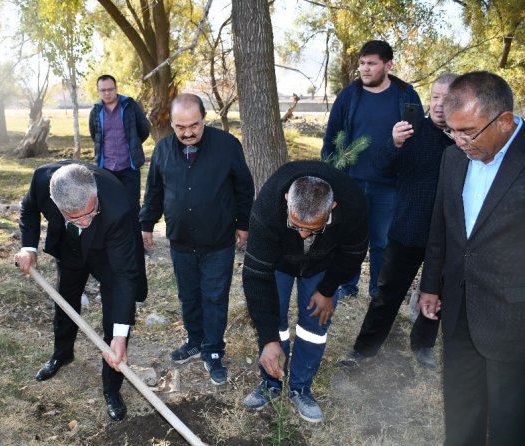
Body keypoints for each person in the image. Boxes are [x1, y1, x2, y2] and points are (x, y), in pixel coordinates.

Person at [418, 71, 525, 445]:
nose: (460, 142)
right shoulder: (453, 158)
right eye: (453, 131)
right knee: (462, 405)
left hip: (514, 316)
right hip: (460, 306)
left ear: (505, 121)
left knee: (511, 418)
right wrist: (430, 285)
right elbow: (442, 228)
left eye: (469, 132)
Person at [340, 74, 458, 370]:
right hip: (407, 229)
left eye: (447, 99)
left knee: (436, 297)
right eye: (434, 97)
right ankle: (364, 350)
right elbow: (381, 166)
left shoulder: (465, 140)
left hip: (445, 238)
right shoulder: (411, 132)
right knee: (386, 296)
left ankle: (423, 345)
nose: (439, 105)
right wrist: (393, 143)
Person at [139, 93, 254, 385]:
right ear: (172, 123)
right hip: (181, 241)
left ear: (205, 119)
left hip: (218, 241)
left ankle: (213, 350)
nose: (188, 132)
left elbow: (243, 188)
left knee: (214, 297)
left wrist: (243, 224)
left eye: (194, 125)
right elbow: (154, 192)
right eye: (180, 127)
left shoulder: (227, 146)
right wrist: (146, 225)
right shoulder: (163, 150)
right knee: (188, 295)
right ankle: (194, 340)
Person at [242, 161, 368, 423]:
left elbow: (353, 252)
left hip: (323, 264)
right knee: (273, 319)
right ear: (287, 200)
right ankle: (271, 382)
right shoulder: (267, 207)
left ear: (332, 207)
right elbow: (256, 276)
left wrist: (327, 288)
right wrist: (268, 340)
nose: (301, 235)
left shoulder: (353, 203)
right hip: (279, 262)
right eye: (295, 224)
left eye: (312, 229)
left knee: (314, 323)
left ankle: (300, 387)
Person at [14, 162, 139, 422]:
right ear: (58, 205)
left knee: (113, 319)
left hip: (107, 254)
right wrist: (28, 248)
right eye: (76, 217)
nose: (85, 221)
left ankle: (111, 386)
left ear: (95, 195)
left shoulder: (117, 205)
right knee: (66, 302)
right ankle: (62, 354)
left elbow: (125, 275)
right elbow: (28, 209)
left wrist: (120, 335)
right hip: (69, 250)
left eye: (90, 212)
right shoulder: (41, 181)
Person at [322, 40, 422, 299]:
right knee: (350, 237)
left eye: (371, 64)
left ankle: (378, 289)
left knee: (382, 242)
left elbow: (418, 139)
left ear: (388, 65)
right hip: (351, 182)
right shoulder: (349, 95)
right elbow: (331, 136)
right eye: (362, 64)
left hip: (389, 185)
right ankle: (347, 285)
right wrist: (332, 175)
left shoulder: (405, 95)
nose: (365, 69)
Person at [88, 74, 149, 302]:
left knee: (132, 208)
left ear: (116, 88)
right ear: (99, 91)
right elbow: (95, 135)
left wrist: (131, 146)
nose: (107, 93)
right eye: (103, 90)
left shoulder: (130, 106)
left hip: (128, 166)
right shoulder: (96, 111)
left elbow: (143, 130)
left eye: (110, 89)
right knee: (108, 209)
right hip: (107, 168)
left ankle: (134, 246)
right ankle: (111, 245)